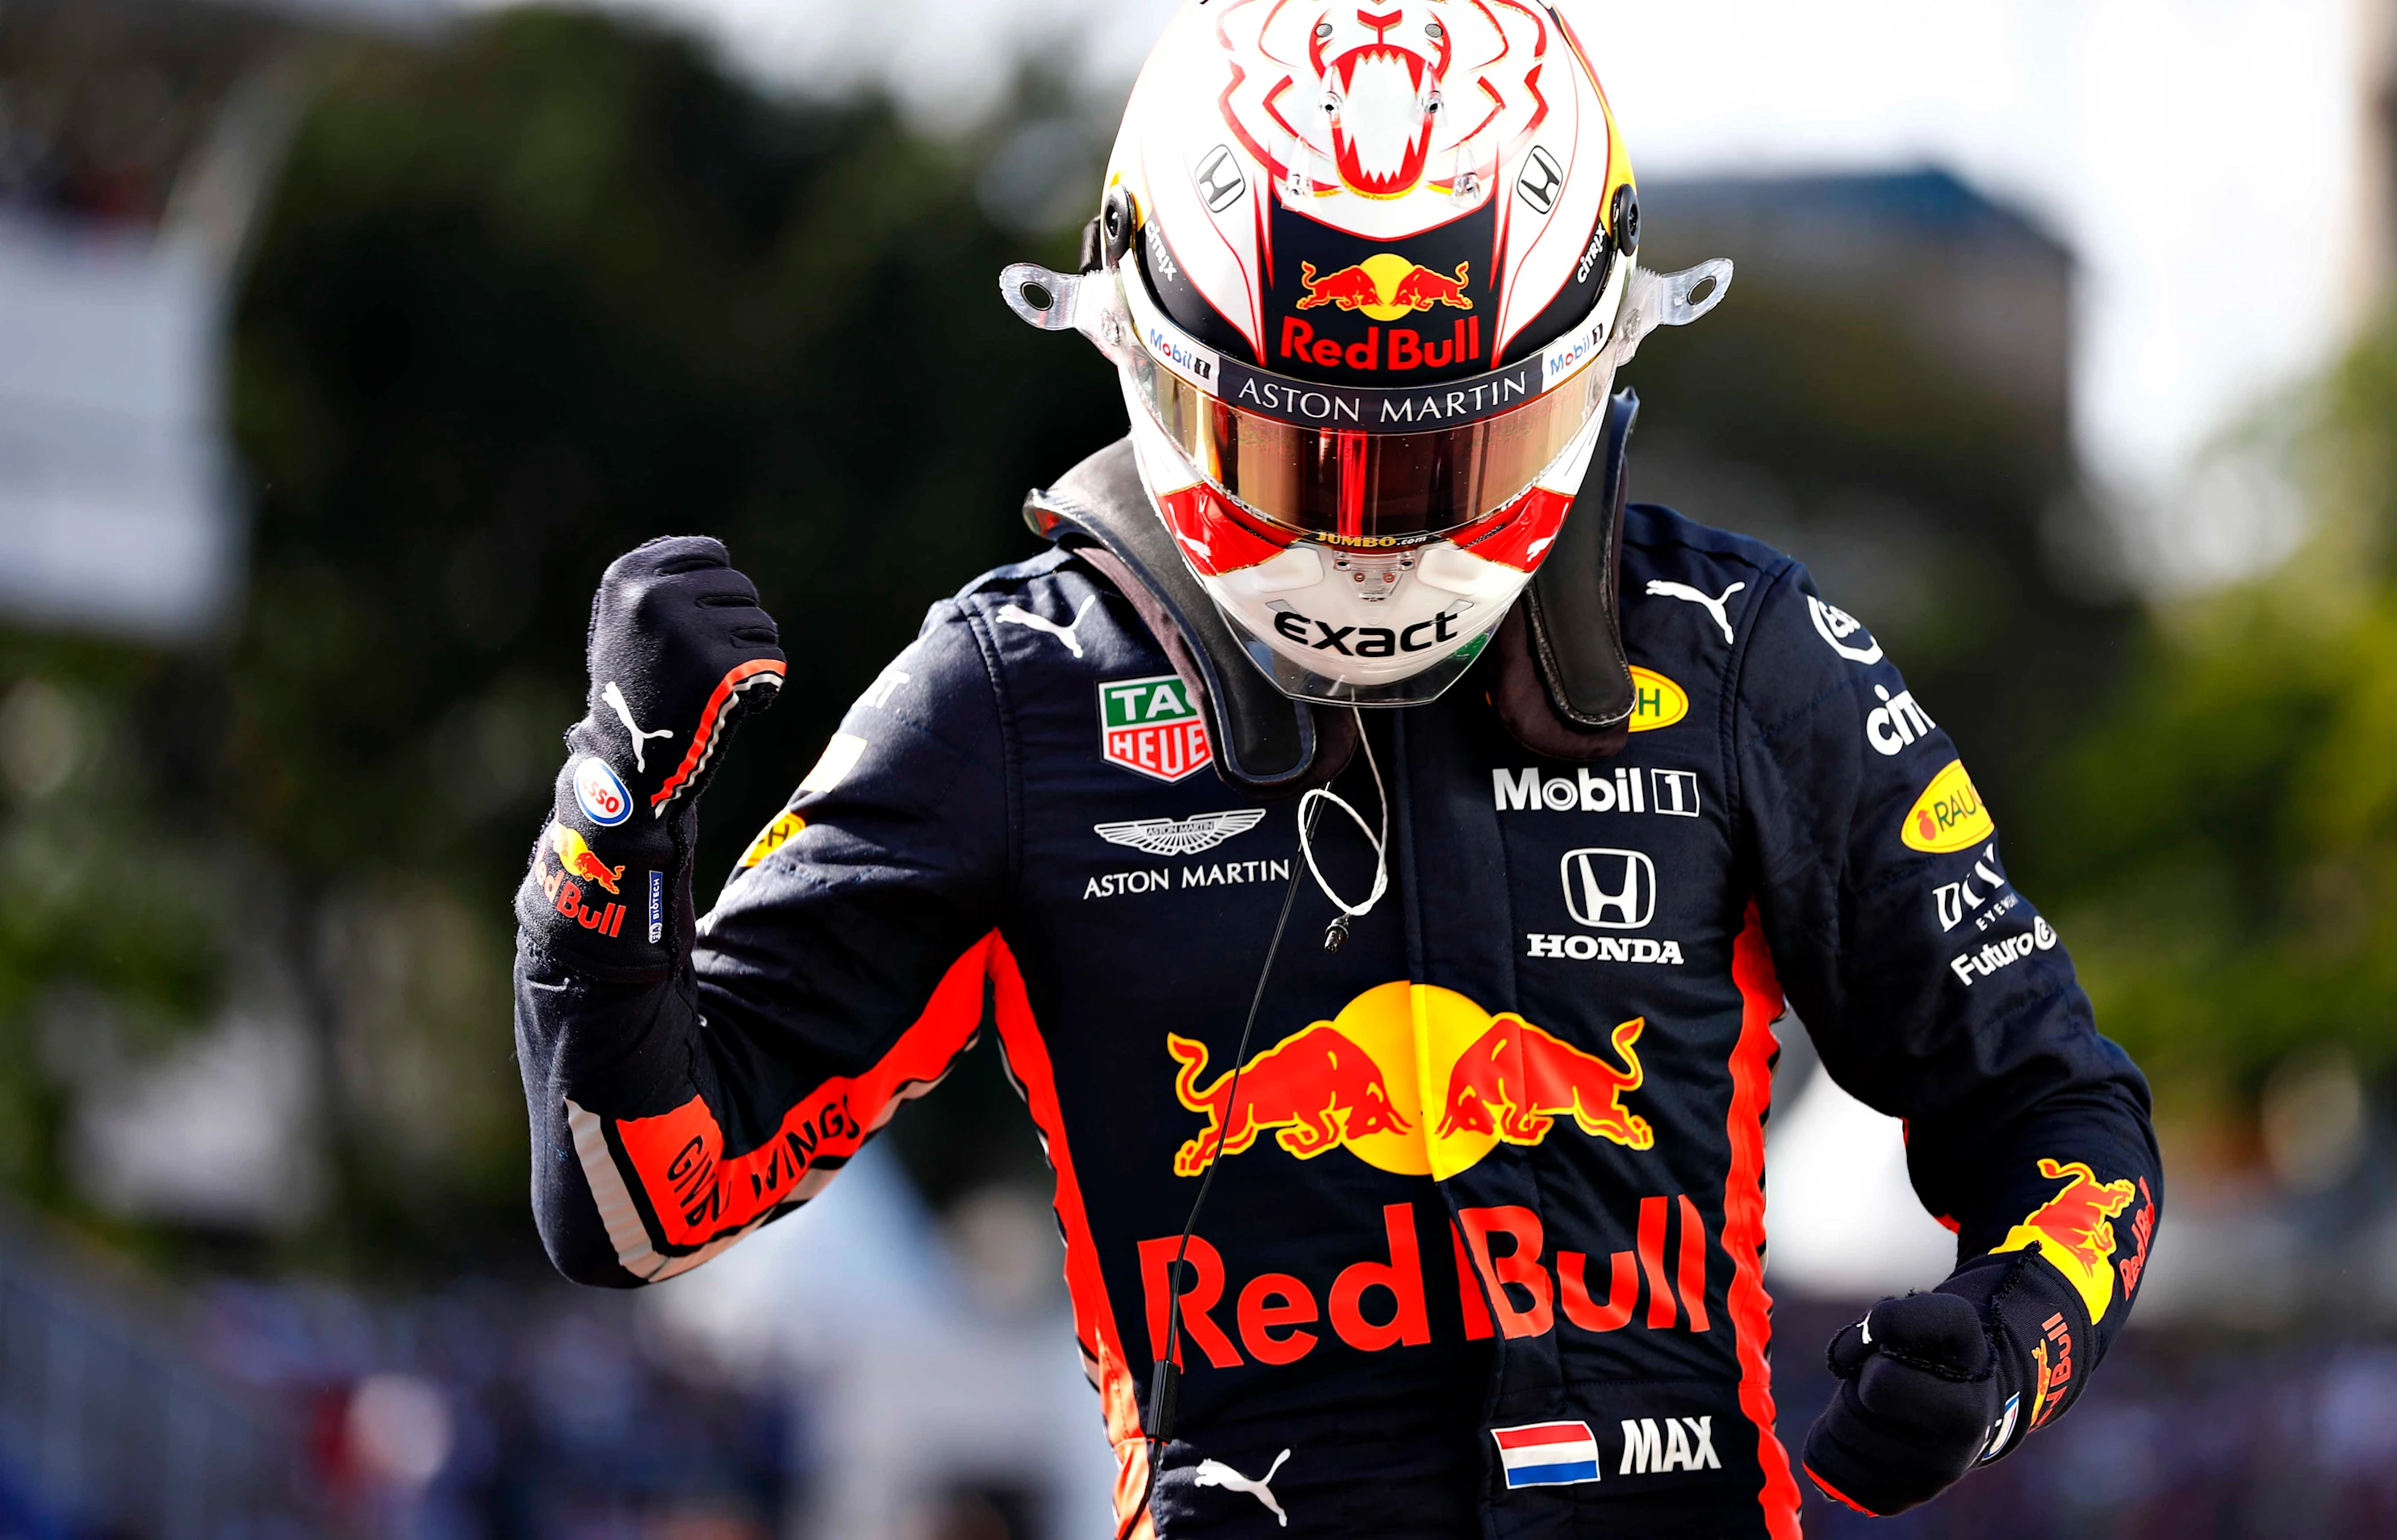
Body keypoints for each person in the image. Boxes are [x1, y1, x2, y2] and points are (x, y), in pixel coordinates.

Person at [511, 5, 2161, 1535]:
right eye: (1306, 450)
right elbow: (647, 1204)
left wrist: (2007, 1347)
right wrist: (611, 833)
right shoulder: (1010, 692)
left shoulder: (1739, 656)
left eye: (1447, 452)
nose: (1377, 535)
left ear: (1586, 368)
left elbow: (2056, 1112)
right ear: (1150, 360)